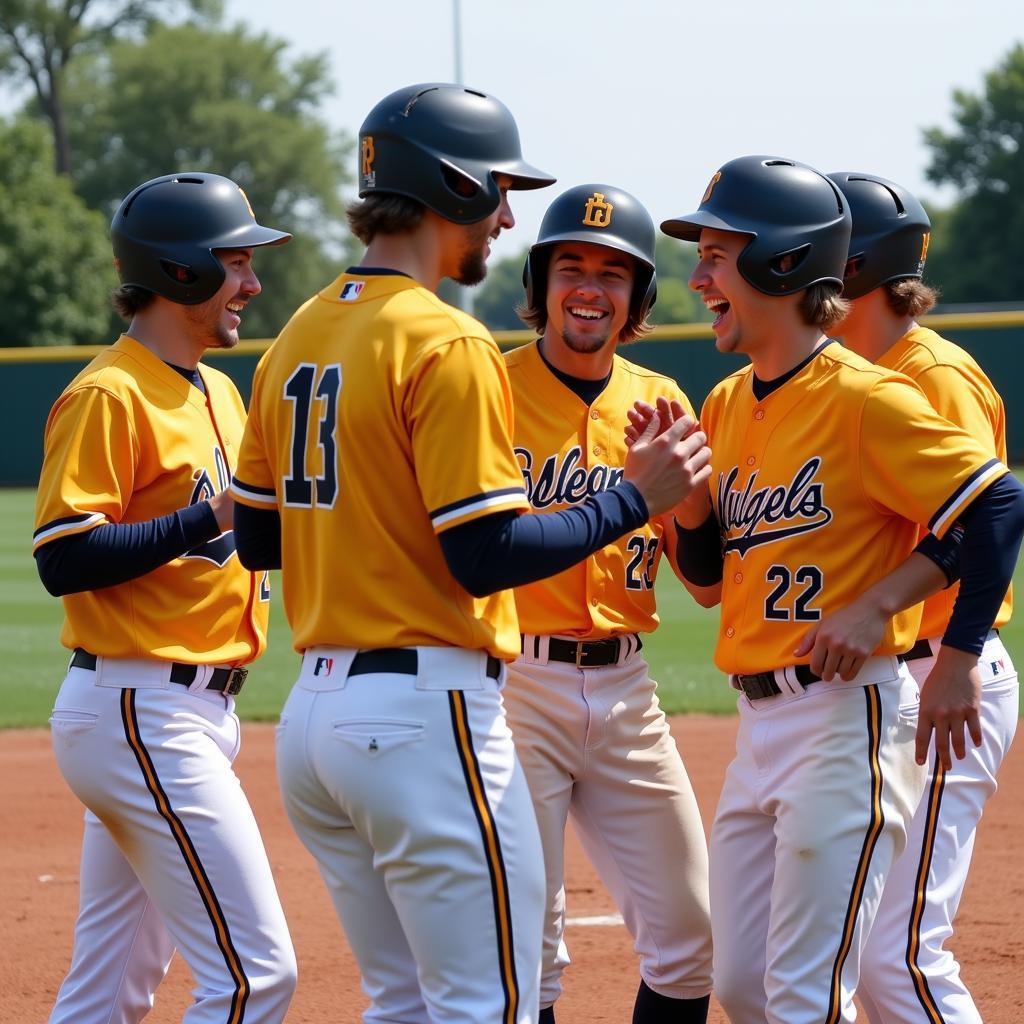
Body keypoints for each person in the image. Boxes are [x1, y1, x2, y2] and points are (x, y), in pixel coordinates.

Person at [230, 84, 711, 1024]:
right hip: (426, 707)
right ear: (446, 184)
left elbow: (257, 536)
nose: (504, 213)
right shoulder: (448, 339)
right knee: (488, 999)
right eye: (496, 189)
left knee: (407, 1002)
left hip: (315, 720)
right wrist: (636, 497)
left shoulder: (297, 334)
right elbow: (485, 555)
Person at [653, 154, 1024, 1023]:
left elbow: (997, 503)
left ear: (783, 264)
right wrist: (682, 503)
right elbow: (706, 583)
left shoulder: (870, 397)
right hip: (757, 724)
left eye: (716, 254)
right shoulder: (727, 403)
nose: (698, 275)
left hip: (841, 713)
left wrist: (920, 628)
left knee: (815, 990)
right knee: (742, 986)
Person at [33, 172, 296, 1023]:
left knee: (110, 990)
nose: (253, 284)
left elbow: (242, 537)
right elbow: (63, 555)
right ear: (179, 270)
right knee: (255, 978)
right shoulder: (110, 393)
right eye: (236, 263)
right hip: (142, 708)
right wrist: (201, 518)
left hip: (175, 712)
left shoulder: (218, 389)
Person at [501, 183, 713, 1024]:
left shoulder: (661, 399)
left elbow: (702, 578)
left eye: (613, 273)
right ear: (541, 283)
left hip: (628, 692)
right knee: (530, 948)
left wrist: (687, 500)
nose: (590, 286)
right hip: (513, 683)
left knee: (693, 939)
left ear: (638, 298)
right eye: (572, 267)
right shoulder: (483, 385)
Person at [824, 171, 1017, 1024]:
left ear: (854, 264)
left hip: (946, 677)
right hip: (907, 677)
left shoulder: (929, 373)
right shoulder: (859, 371)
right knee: (866, 947)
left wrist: (959, 658)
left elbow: (988, 516)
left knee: (896, 956)